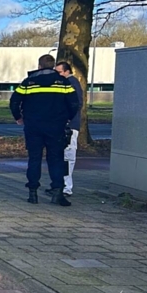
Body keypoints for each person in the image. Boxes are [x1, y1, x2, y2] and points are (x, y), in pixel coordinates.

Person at [9, 54, 79, 206]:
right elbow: (74, 103)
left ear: (39, 66)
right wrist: (67, 118)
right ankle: (57, 192)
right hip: (56, 126)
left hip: (33, 126)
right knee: (56, 159)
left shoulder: (28, 82)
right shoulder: (63, 82)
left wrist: (18, 117)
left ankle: (33, 193)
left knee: (34, 158)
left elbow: (14, 101)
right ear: (53, 66)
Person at [55, 61, 83, 196]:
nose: (57, 74)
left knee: (68, 156)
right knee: (63, 156)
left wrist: (67, 119)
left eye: (59, 72)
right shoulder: (66, 83)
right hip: (65, 124)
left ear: (67, 71)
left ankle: (66, 187)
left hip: (69, 126)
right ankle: (61, 185)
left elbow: (76, 104)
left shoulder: (72, 83)